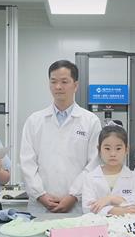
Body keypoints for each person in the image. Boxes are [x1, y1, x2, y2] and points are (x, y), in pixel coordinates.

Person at [20, 60, 102, 213]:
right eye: (53, 82)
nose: (58, 87)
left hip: (77, 206)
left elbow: (94, 163)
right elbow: (27, 162)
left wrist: (73, 196)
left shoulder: (90, 121)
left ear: (75, 85)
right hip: (41, 206)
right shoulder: (34, 121)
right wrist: (40, 195)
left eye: (64, 82)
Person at [82, 124, 135, 216]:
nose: (113, 154)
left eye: (118, 148)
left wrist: (112, 199)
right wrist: (117, 210)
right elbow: (87, 208)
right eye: (107, 148)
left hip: (127, 224)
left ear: (126, 150)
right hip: (99, 224)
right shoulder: (90, 177)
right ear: (99, 149)